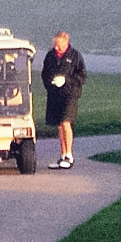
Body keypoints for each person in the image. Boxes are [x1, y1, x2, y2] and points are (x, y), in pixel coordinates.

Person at [41, 31, 86, 169]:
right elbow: (45, 74)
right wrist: (51, 84)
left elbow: (82, 76)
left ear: (66, 43)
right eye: (55, 45)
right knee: (59, 125)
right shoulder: (50, 56)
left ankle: (69, 155)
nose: (56, 48)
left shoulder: (75, 56)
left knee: (66, 123)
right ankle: (62, 155)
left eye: (58, 45)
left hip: (70, 94)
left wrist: (66, 80)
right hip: (55, 94)